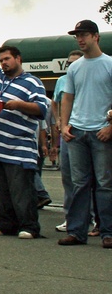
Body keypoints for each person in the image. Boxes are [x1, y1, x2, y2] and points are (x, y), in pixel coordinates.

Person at [0, 45, 47, 239]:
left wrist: (19, 105)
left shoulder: (33, 82)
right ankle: (6, 223)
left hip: (18, 146)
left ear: (18, 59)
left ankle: (29, 226)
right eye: (1, 60)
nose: (4, 63)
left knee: (21, 189)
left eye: (7, 59)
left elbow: (41, 109)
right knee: (0, 188)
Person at [57, 20, 112, 247]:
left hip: (101, 130)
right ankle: (77, 231)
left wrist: (111, 126)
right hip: (77, 132)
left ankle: (107, 232)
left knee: (105, 183)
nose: (80, 40)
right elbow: (67, 97)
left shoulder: (109, 63)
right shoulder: (74, 67)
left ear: (96, 37)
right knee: (79, 183)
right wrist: (64, 125)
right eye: (77, 36)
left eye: (84, 35)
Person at [53, 50, 84, 232]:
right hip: (68, 132)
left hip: (88, 129)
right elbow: (55, 102)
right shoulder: (62, 81)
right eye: (69, 63)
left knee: (91, 179)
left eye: (76, 62)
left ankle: (95, 217)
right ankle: (70, 217)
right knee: (68, 177)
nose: (72, 66)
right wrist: (59, 120)